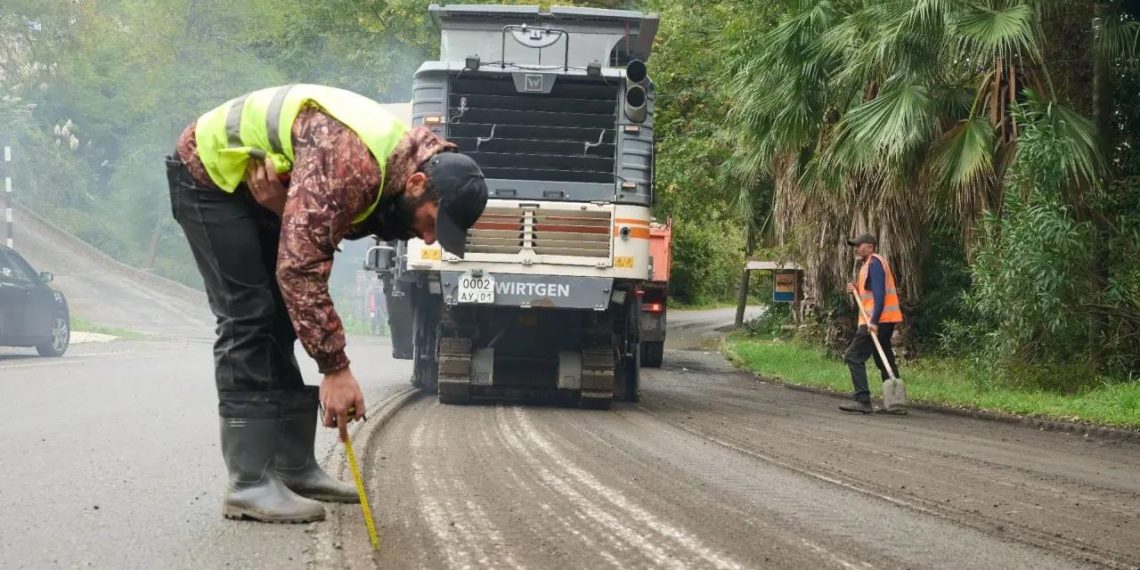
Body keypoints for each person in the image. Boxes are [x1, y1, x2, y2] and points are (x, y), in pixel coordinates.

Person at [164, 84, 487, 523]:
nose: (430, 238)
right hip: (208, 175)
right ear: (416, 184)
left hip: (259, 190)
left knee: (281, 315)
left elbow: (333, 226)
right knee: (249, 313)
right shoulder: (352, 161)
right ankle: (248, 483)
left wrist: (287, 209)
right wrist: (335, 368)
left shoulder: (407, 163)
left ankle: (293, 467)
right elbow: (301, 268)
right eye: (432, 222)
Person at [839, 234, 904, 414]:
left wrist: (873, 321)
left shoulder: (874, 264)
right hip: (885, 320)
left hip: (875, 320)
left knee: (853, 356)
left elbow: (880, 294)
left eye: (859, 245)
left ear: (870, 247)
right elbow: (869, 292)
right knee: (884, 358)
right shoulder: (870, 265)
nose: (856, 249)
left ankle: (862, 399)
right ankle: (896, 403)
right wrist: (855, 289)